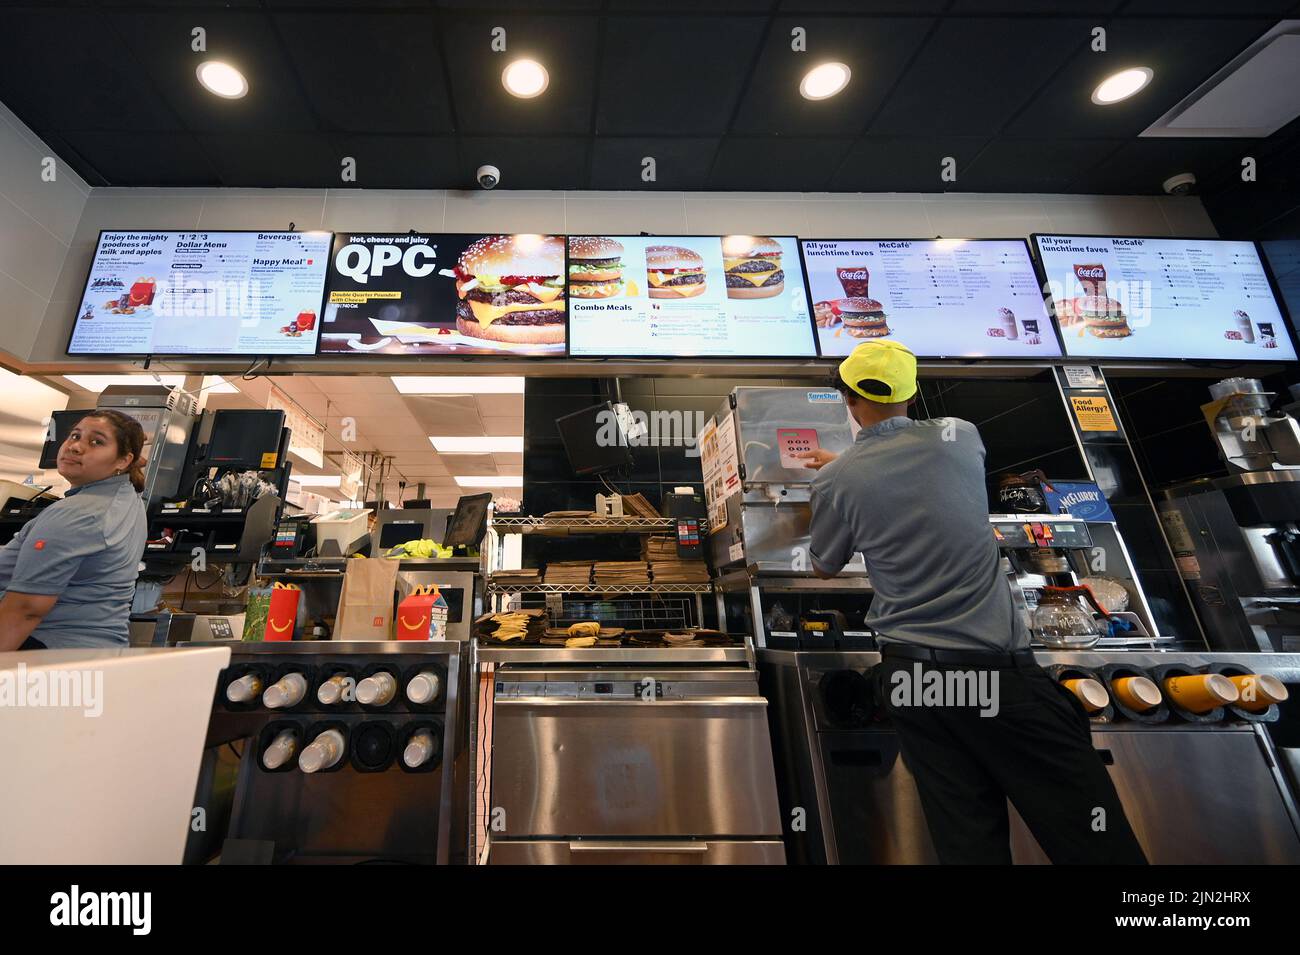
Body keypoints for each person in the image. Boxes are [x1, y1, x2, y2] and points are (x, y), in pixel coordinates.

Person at [798, 340, 1146, 865]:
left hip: (912, 677)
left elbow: (825, 563)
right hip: (996, 675)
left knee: (965, 839)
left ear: (848, 398)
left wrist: (832, 476)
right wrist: (847, 466)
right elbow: (910, 467)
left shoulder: (835, 479)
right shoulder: (961, 436)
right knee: (1088, 833)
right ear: (913, 393)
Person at [0, 410, 148, 651]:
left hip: (48, 652)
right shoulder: (127, 499)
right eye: (74, 436)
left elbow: (26, 609)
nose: (76, 447)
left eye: (96, 442)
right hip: (100, 652)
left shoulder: (77, 513)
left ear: (123, 461)